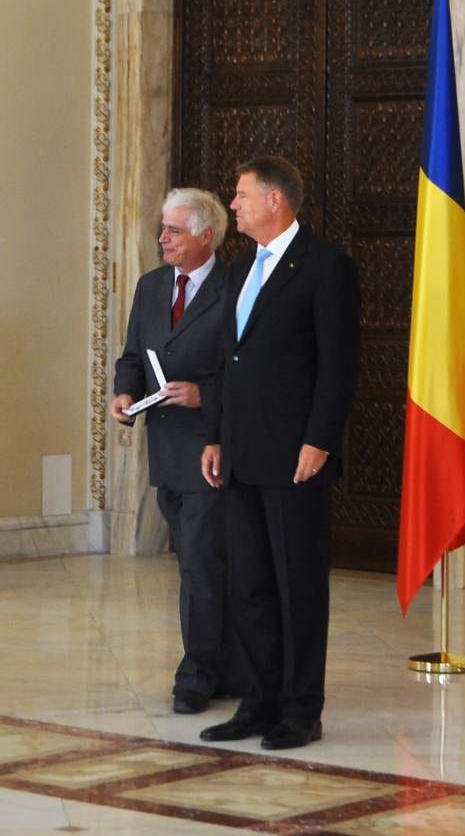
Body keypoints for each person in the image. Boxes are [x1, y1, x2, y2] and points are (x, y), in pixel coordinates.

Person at [198, 155, 360, 751]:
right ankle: (259, 702)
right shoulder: (241, 269)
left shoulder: (326, 265)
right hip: (241, 453)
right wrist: (215, 435)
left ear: (275, 200)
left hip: (295, 455)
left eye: (241, 195)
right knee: (249, 585)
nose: (233, 204)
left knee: (297, 586)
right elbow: (228, 361)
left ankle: (300, 709)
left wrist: (319, 440)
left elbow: (338, 365)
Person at [110, 187, 241, 714]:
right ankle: (226, 668)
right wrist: (124, 393)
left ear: (207, 236)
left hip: (212, 446)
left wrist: (204, 393)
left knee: (202, 565)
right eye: (162, 228)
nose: (163, 238)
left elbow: (251, 370)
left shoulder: (235, 287)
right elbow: (131, 357)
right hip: (164, 449)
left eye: (174, 230)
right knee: (194, 561)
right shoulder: (151, 285)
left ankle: (198, 674)